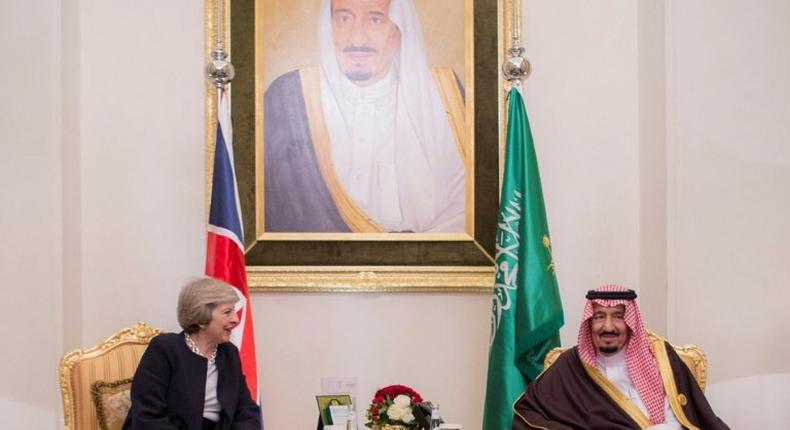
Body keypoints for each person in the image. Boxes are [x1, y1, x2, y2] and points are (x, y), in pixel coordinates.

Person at [264, 0, 466, 233]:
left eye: (375, 19)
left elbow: (466, 203)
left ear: (399, 30)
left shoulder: (441, 98)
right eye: (344, 19)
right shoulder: (288, 98)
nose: (357, 39)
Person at [512, 284, 730, 430]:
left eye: (618, 316)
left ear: (631, 321)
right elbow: (526, 414)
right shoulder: (571, 365)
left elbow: (685, 418)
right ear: (589, 322)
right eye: (599, 317)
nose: (608, 327)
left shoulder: (661, 357)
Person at [123, 278, 260, 430]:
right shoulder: (165, 349)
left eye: (234, 311)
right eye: (227, 312)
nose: (235, 319)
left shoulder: (229, 353)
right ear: (201, 318)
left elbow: (246, 411)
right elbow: (147, 415)